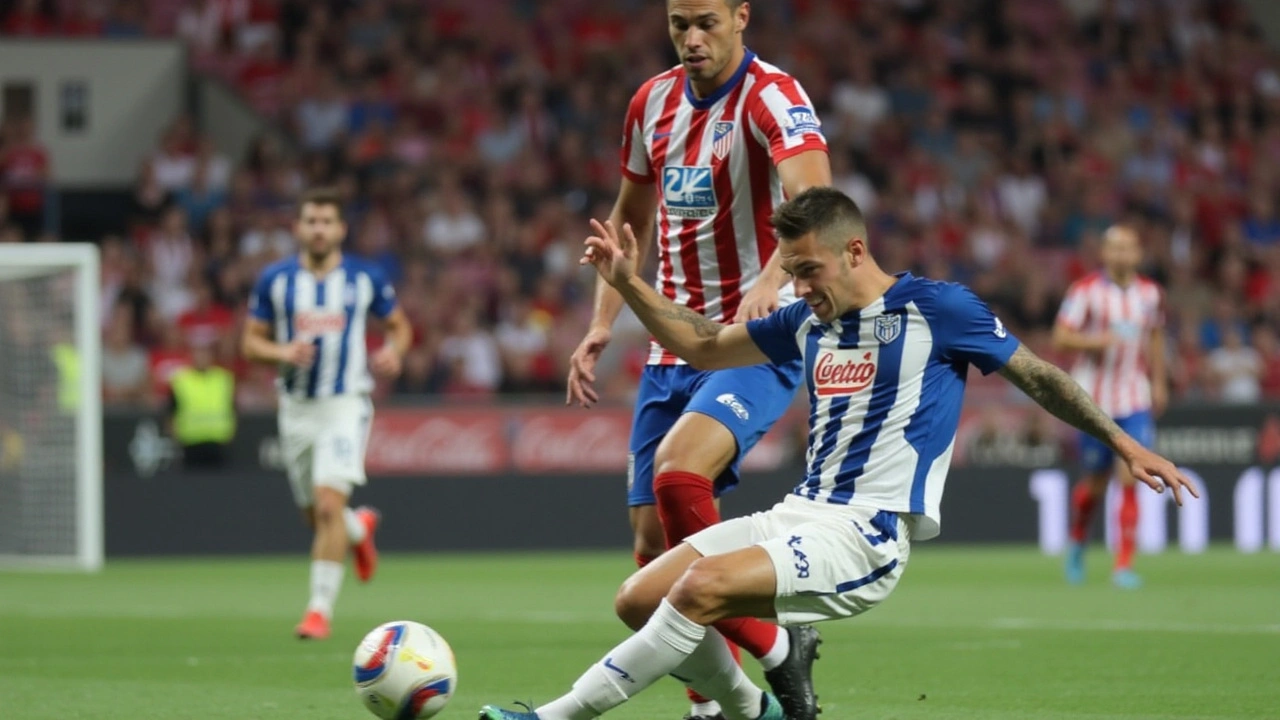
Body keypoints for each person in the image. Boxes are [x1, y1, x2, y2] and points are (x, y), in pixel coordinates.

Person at [480, 187, 1196, 720]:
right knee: (637, 599)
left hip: (867, 534)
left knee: (696, 592)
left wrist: (1124, 441)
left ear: (855, 252)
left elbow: (1038, 373)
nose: (798, 288)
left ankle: (552, 717)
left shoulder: (939, 310)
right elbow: (700, 343)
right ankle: (753, 711)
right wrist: (628, 283)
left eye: (809, 270)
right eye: (791, 272)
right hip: (799, 514)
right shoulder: (805, 321)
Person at [564, 2, 832, 716]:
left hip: (754, 340)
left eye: (706, 21)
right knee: (652, 550)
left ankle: (772, 649)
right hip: (668, 347)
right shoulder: (650, 101)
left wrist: (772, 283)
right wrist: (600, 323)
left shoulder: (775, 96)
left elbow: (818, 206)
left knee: (681, 473)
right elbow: (627, 222)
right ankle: (732, 699)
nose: (691, 38)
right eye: (678, 22)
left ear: (742, 16)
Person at [241, 186, 412, 640]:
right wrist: (281, 350)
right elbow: (249, 343)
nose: (318, 229)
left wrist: (395, 350)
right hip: (295, 409)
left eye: (326, 221)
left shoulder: (365, 277)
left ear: (340, 229)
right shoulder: (275, 281)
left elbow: (399, 326)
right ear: (298, 228)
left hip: (345, 404)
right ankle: (360, 528)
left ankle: (318, 611)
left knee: (327, 504)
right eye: (310, 221)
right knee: (315, 517)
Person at [1052, 224, 1167, 589]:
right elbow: (1060, 335)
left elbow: (1155, 337)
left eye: (1127, 248)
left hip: (1135, 398)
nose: (1120, 254)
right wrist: (1094, 341)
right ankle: (1077, 543)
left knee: (1130, 474)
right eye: (1113, 248)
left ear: (1137, 253)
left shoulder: (1150, 294)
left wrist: (1160, 382)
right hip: (1095, 402)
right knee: (1095, 484)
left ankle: (1123, 565)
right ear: (1104, 253)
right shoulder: (1085, 291)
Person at [167, 339, 235, 469]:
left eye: (206, 353)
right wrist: (175, 438)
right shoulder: (181, 381)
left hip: (219, 442)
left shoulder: (224, 379)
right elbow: (171, 412)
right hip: (191, 442)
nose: (202, 357)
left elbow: (233, 408)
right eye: (199, 353)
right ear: (192, 355)